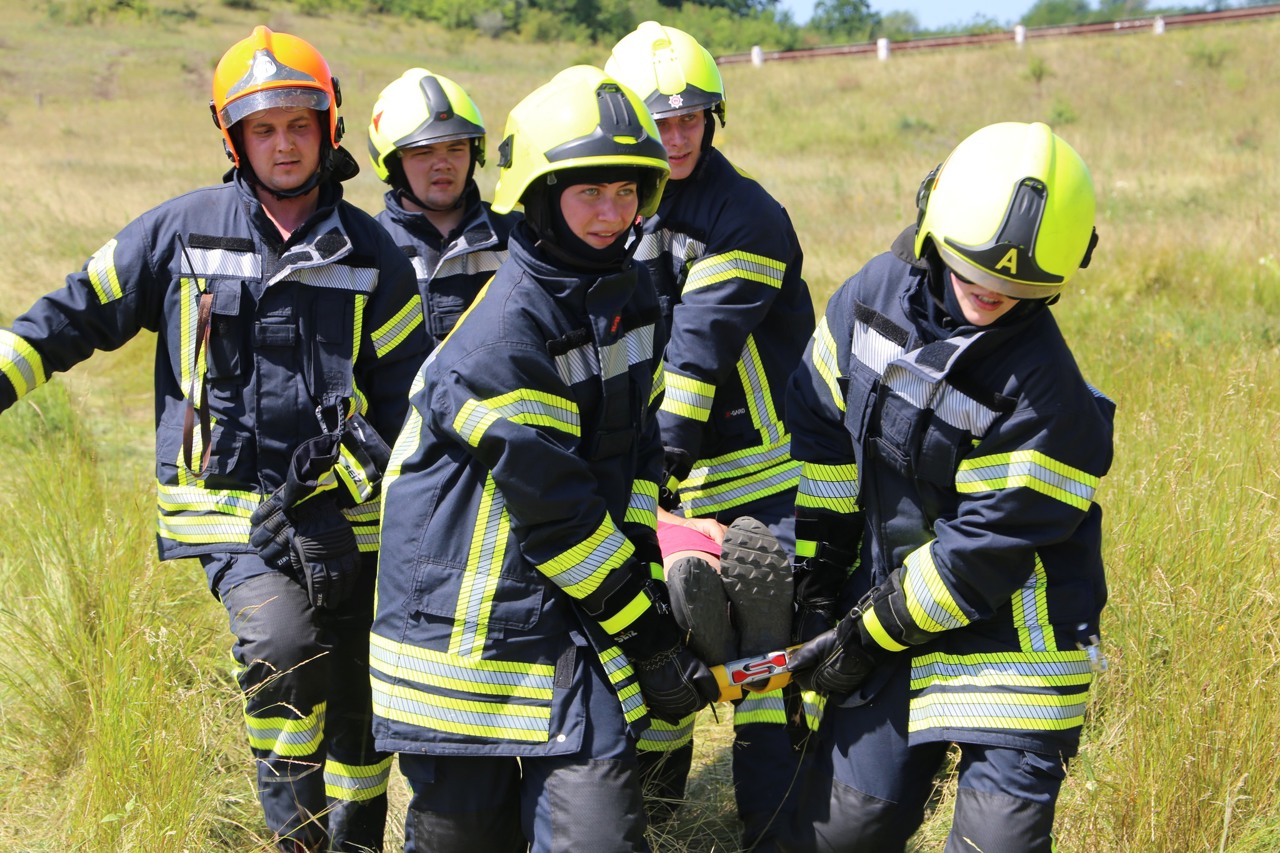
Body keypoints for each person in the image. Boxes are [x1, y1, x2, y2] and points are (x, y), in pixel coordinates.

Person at [0, 26, 429, 852]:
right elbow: (72, 314)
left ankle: (357, 839)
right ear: (233, 137)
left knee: (358, 699)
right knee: (282, 646)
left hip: (350, 520)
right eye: (263, 129)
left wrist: (340, 482)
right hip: (227, 515)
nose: (282, 144)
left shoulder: (374, 253)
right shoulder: (180, 232)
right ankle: (295, 837)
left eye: (298, 125)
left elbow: (409, 397)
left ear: (328, 125)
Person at [368, 64, 719, 853]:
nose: (610, 213)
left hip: (569, 619)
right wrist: (651, 637)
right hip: (463, 646)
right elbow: (558, 517)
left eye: (626, 191)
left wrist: (648, 588)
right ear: (536, 195)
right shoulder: (502, 339)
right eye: (588, 192)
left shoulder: (629, 296)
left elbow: (627, 465)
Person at [781, 121, 1114, 852]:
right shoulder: (869, 296)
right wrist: (819, 579)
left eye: (1016, 286)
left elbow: (977, 557)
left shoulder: (1049, 400)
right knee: (848, 827)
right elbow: (823, 433)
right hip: (891, 603)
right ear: (932, 224)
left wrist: (862, 634)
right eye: (972, 271)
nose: (991, 290)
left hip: (1015, 646)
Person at [605, 22, 816, 849]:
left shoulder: (747, 215)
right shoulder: (616, 201)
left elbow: (698, 347)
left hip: (759, 473)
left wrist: (654, 466)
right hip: (666, 473)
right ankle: (658, 825)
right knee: (660, 657)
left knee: (772, 663)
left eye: (692, 118)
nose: (678, 134)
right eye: (660, 121)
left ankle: (775, 828)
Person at [367, 68, 520, 347]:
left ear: (475, 153)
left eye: (456, 148)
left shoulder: (516, 236)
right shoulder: (369, 246)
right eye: (424, 152)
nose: (443, 164)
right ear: (392, 163)